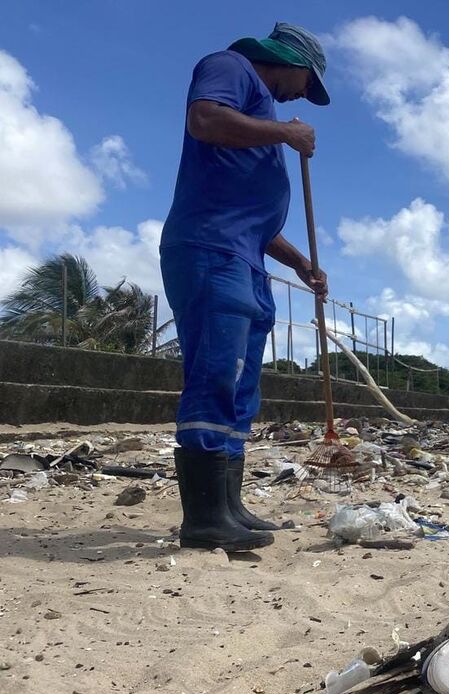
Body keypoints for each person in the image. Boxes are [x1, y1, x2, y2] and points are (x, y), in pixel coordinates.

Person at [160, 23, 330, 551]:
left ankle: (229, 504)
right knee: (216, 374)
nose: (304, 94)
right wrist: (285, 134)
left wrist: (300, 262)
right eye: (308, 81)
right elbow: (203, 119)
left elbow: (255, 221)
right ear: (288, 60)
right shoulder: (229, 67)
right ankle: (205, 517)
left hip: (245, 256)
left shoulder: (259, 110)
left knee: (240, 387)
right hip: (211, 250)